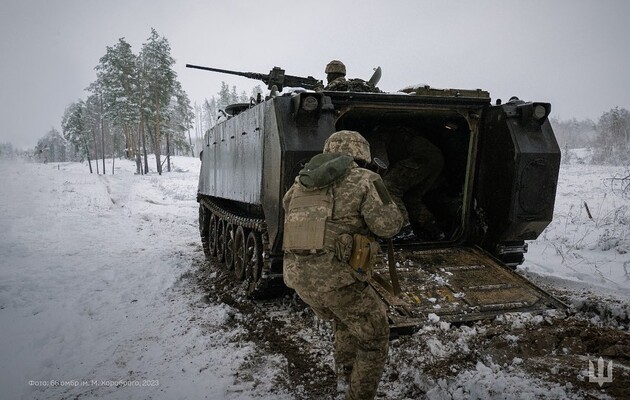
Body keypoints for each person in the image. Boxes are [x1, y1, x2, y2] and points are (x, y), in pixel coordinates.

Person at [282, 130, 403, 400]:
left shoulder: (299, 184)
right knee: (374, 337)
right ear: (362, 154)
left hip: (299, 279)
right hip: (337, 281)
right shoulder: (366, 180)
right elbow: (388, 226)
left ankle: (344, 379)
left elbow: (289, 212)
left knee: (345, 320)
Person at [371, 125, 445, 240]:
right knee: (411, 199)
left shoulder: (377, 138)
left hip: (419, 157)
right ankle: (433, 229)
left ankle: (403, 230)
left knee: (387, 187)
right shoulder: (396, 135)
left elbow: (382, 164)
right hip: (434, 158)